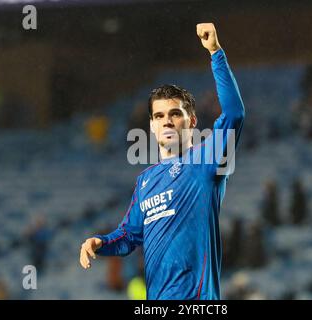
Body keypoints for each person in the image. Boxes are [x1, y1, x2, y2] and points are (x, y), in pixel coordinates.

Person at [80, 23, 245, 300]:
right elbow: (130, 236)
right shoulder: (145, 181)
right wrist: (101, 243)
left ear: (192, 121)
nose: (166, 120)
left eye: (175, 113)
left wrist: (216, 53)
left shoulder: (208, 159)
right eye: (159, 116)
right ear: (152, 126)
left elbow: (234, 113)